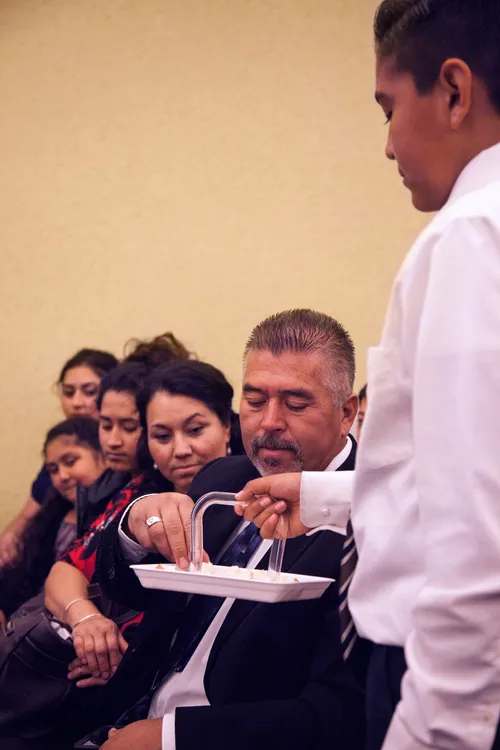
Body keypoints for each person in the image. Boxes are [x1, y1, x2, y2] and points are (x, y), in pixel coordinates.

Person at [237, 3, 500, 749]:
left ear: (452, 90)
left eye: (389, 108)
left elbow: (479, 534)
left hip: (447, 688)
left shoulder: (470, 234)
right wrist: (320, 494)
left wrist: (436, 732)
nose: (387, 145)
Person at [79, 310, 364, 750]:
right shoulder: (222, 478)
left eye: (295, 403)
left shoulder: (368, 515)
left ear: (346, 413)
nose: (269, 422)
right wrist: (135, 526)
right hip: (123, 709)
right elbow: (132, 592)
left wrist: (170, 737)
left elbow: (339, 713)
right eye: (254, 401)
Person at [42, 360, 240, 702]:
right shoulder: (138, 494)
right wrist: (88, 621)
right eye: (162, 436)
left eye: (195, 430)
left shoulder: (254, 495)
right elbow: (66, 567)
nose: (180, 450)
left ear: (225, 426)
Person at [0, 348, 118, 568]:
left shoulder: (122, 456)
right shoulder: (59, 451)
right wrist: (10, 538)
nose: (77, 402)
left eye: (89, 391)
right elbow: (26, 519)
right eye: (68, 392)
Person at [0, 417, 105, 627]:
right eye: (53, 470)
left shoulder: (111, 516)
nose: (62, 476)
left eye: (70, 461)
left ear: (103, 456)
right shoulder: (51, 516)